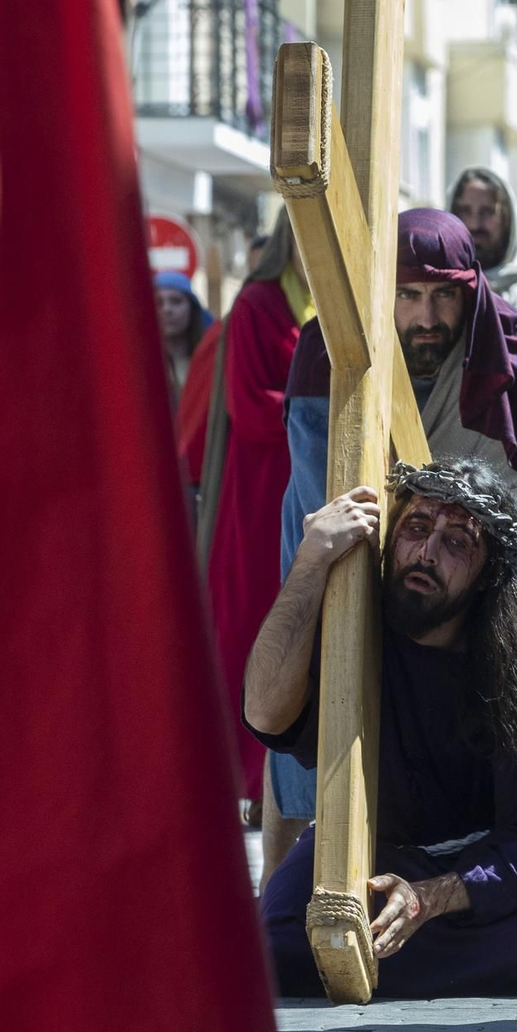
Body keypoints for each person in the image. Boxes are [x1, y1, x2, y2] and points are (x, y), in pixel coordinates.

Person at [265, 209, 517, 875]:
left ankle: (482, 869)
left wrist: (459, 586)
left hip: (471, 591)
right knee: (307, 706)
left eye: (444, 294)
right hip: (362, 571)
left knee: (486, 724)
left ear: (471, 289)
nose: (427, 314)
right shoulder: (332, 345)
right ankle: (286, 880)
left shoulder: (516, 351)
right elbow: (320, 490)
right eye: (407, 295)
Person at [246, 458, 517, 999]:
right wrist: (310, 562)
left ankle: (381, 955)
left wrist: (429, 899)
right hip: (376, 858)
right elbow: (263, 714)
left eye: (456, 543)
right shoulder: (353, 628)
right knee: (273, 944)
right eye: (416, 529)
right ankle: (402, 952)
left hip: (487, 869)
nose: (426, 553)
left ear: (486, 572)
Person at [202, 214, 311, 817]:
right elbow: (248, 407)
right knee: (256, 625)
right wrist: (328, 413)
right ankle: (249, 782)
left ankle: (294, 782)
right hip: (263, 491)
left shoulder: (348, 300)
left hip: (320, 483)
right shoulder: (256, 304)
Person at [450, 166, 517, 321]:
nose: (475, 224)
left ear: (508, 219)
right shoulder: (434, 289)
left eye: (488, 212)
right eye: (465, 211)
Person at [154, 270, 212, 411]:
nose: (167, 309)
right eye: (159, 302)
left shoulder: (212, 361)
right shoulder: (138, 365)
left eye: (176, 301)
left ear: (192, 308)